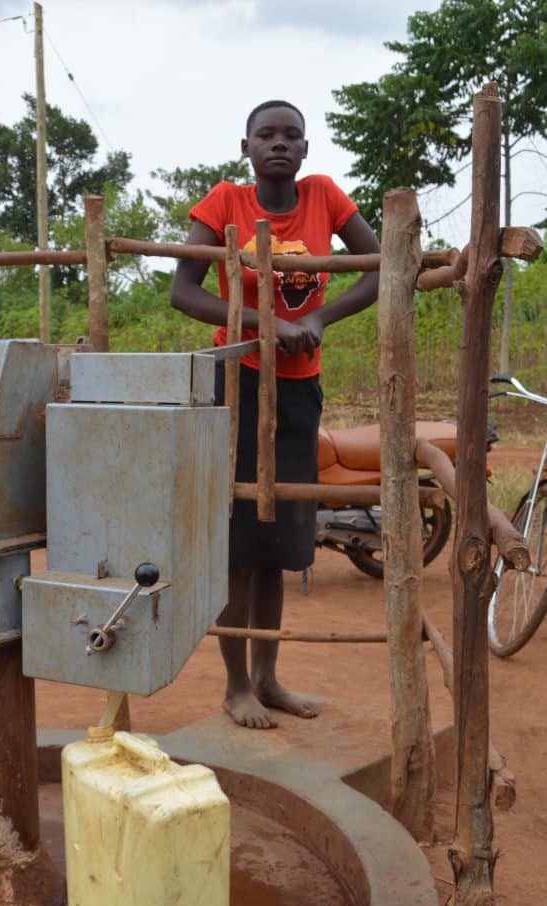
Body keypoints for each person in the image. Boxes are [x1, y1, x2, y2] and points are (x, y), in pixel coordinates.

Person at [171, 100, 380, 729]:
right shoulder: (225, 203)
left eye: (291, 135)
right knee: (238, 542)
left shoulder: (324, 197)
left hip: (297, 393)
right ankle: (235, 685)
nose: (279, 144)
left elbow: (376, 267)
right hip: (236, 385)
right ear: (247, 146)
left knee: (281, 542)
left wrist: (316, 318)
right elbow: (184, 291)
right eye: (267, 135)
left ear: (306, 149)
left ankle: (268, 678)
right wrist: (267, 323)